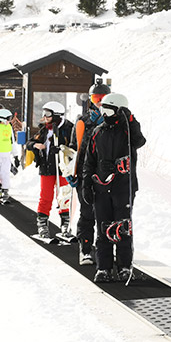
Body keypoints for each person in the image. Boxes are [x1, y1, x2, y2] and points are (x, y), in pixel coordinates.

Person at [80, 93, 145, 283]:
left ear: (118, 110)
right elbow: (88, 162)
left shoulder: (128, 131)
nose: (104, 113)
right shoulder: (97, 132)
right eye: (102, 109)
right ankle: (104, 268)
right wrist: (86, 185)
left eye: (108, 109)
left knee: (122, 227)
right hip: (101, 187)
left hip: (123, 187)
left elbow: (139, 141)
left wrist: (130, 119)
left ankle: (124, 266)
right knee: (103, 228)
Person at [72, 82, 113, 265]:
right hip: (85, 174)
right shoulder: (83, 121)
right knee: (87, 212)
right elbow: (75, 149)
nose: (99, 102)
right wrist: (71, 172)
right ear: (90, 100)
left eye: (103, 98)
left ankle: (104, 251)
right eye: (96, 98)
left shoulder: (113, 121)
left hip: (107, 175)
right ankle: (86, 249)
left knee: (106, 214)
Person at [27, 101, 76, 239]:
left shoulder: (68, 128)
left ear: (56, 115)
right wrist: (36, 145)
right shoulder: (44, 129)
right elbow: (29, 143)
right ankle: (42, 223)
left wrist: (61, 149)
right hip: (47, 167)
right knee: (46, 196)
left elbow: (74, 147)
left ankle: (65, 223)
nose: (45, 117)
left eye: (48, 114)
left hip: (62, 168)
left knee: (63, 196)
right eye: (44, 113)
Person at [0, 105, 15, 203]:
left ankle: (5, 191)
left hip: (6, 155)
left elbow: (12, 141)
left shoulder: (8, 126)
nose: (10, 121)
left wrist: (16, 155)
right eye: (8, 119)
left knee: (5, 174)